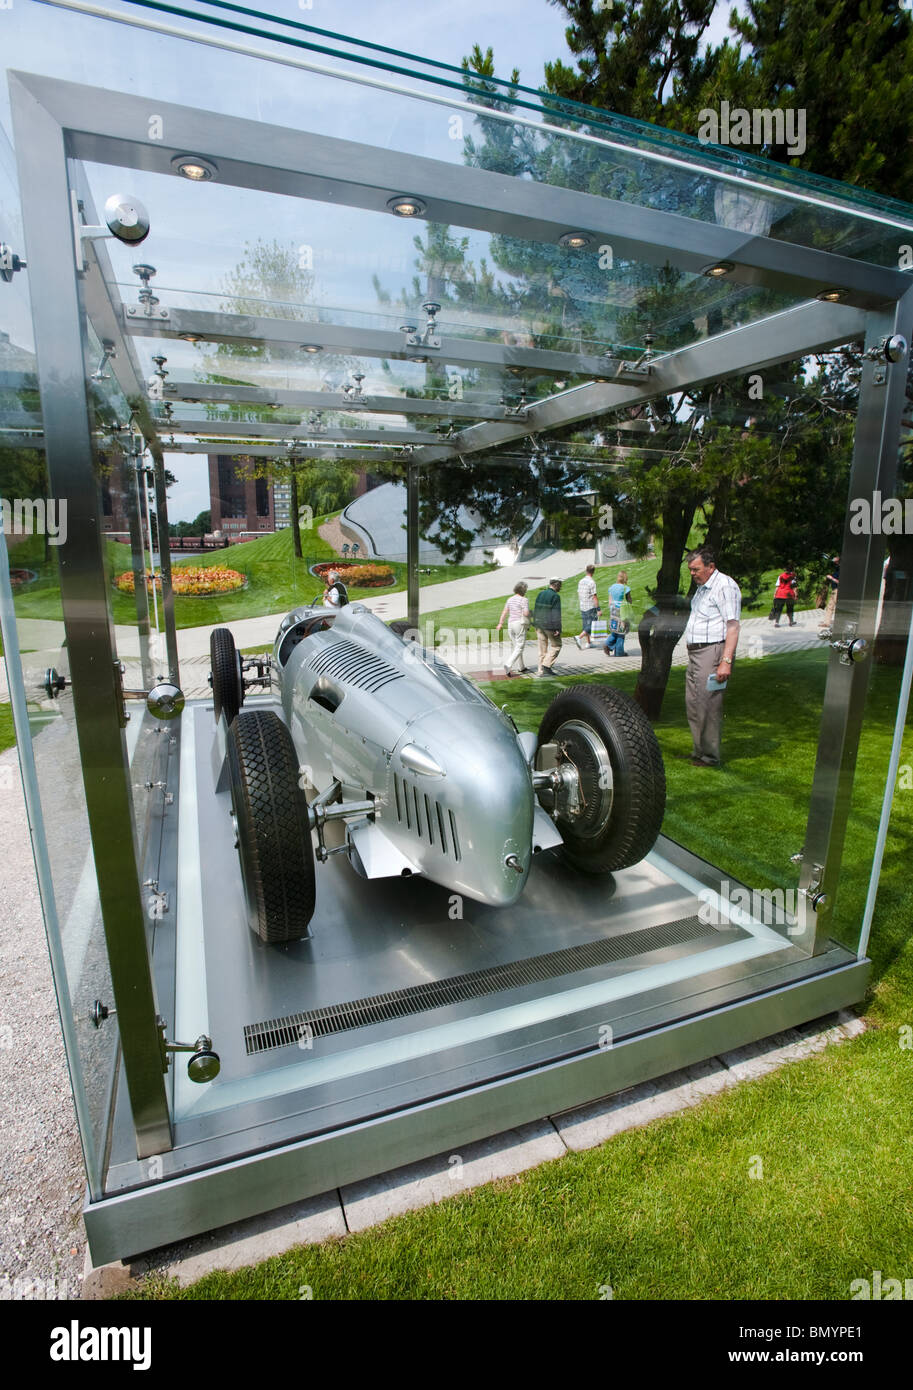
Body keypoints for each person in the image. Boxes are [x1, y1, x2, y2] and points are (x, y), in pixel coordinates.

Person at [683, 546, 741, 767]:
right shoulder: (703, 587)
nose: (692, 573)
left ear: (711, 566)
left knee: (708, 704)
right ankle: (698, 752)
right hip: (696, 653)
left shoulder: (725, 586)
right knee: (694, 703)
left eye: (695, 569)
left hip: (713, 651)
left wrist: (725, 661)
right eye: (690, 569)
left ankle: (710, 756)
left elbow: (733, 627)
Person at [496, 580, 531, 677]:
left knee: (517, 647)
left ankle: (521, 667)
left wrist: (500, 623)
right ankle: (508, 664)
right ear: (523, 590)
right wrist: (530, 612)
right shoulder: (524, 600)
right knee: (520, 647)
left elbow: (505, 611)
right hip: (519, 624)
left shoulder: (510, 599)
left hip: (510, 624)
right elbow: (526, 613)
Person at [532, 577, 563, 677]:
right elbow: (556, 614)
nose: (561, 587)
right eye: (560, 584)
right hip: (549, 626)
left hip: (539, 624)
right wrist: (557, 628)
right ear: (556, 584)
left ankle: (540, 671)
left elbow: (536, 609)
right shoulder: (555, 596)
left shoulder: (541, 593)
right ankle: (546, 665)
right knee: (557, 645)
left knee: (542, 648)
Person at [604, 569, 632, 657]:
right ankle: (619, 652)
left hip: (613, 610)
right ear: (625, 579)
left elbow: (609, 601)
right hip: (622, 611)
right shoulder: (625, 588)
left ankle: (607, 644)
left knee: (615, 630)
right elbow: (629, 600)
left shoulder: (611, 587)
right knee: (621, 632)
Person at [573, 564, 601, 650]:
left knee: (585, 625)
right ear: (593, 572)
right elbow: (594, 596)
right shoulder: (592, 582)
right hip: (590, 606)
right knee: (592, 624)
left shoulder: (581, 581)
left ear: (586, 571)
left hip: (582, 605)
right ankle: (579, 637)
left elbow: (579, 593)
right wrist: (598, 609)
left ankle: (588, 643)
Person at [819, 555, 839, 634]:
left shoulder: (841, 570)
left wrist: (831, 578)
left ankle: (838, 622)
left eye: (836, 561)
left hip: (838, 590)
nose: (834, 562)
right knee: (830, 606)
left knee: (836, 606)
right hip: (834, 589)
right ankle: (827, 622)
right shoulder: (836, 569)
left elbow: (839, 582)